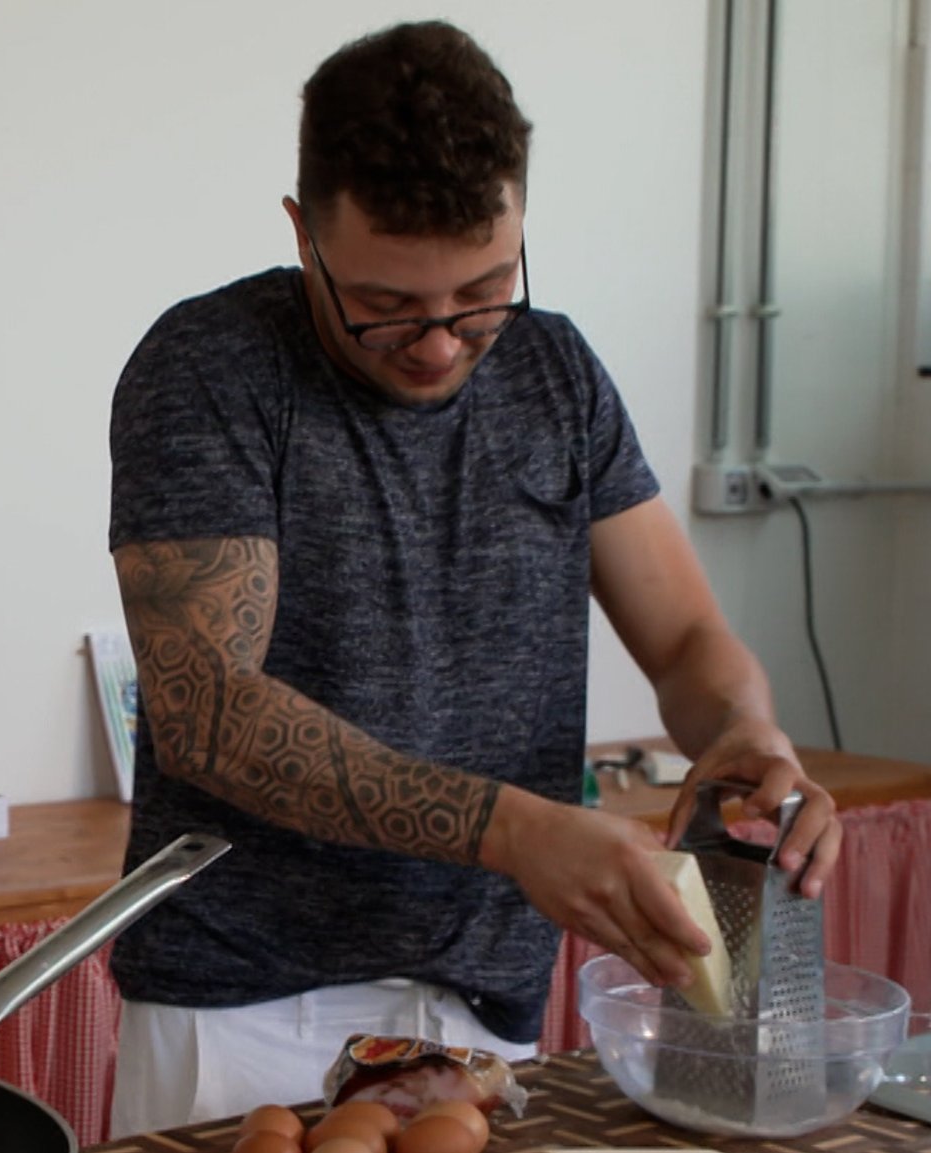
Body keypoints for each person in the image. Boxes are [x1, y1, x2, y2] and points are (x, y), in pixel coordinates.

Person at [103, 21, 842, 1132]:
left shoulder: (556, 372)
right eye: (387, 306)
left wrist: (747, 732)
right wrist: (510, 829)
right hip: (243, 1011)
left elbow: (685, 636)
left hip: (484, 1013)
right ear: (302, 232)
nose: (442, 343)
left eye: (483, 290)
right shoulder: (209, 369)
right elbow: (207, 711)